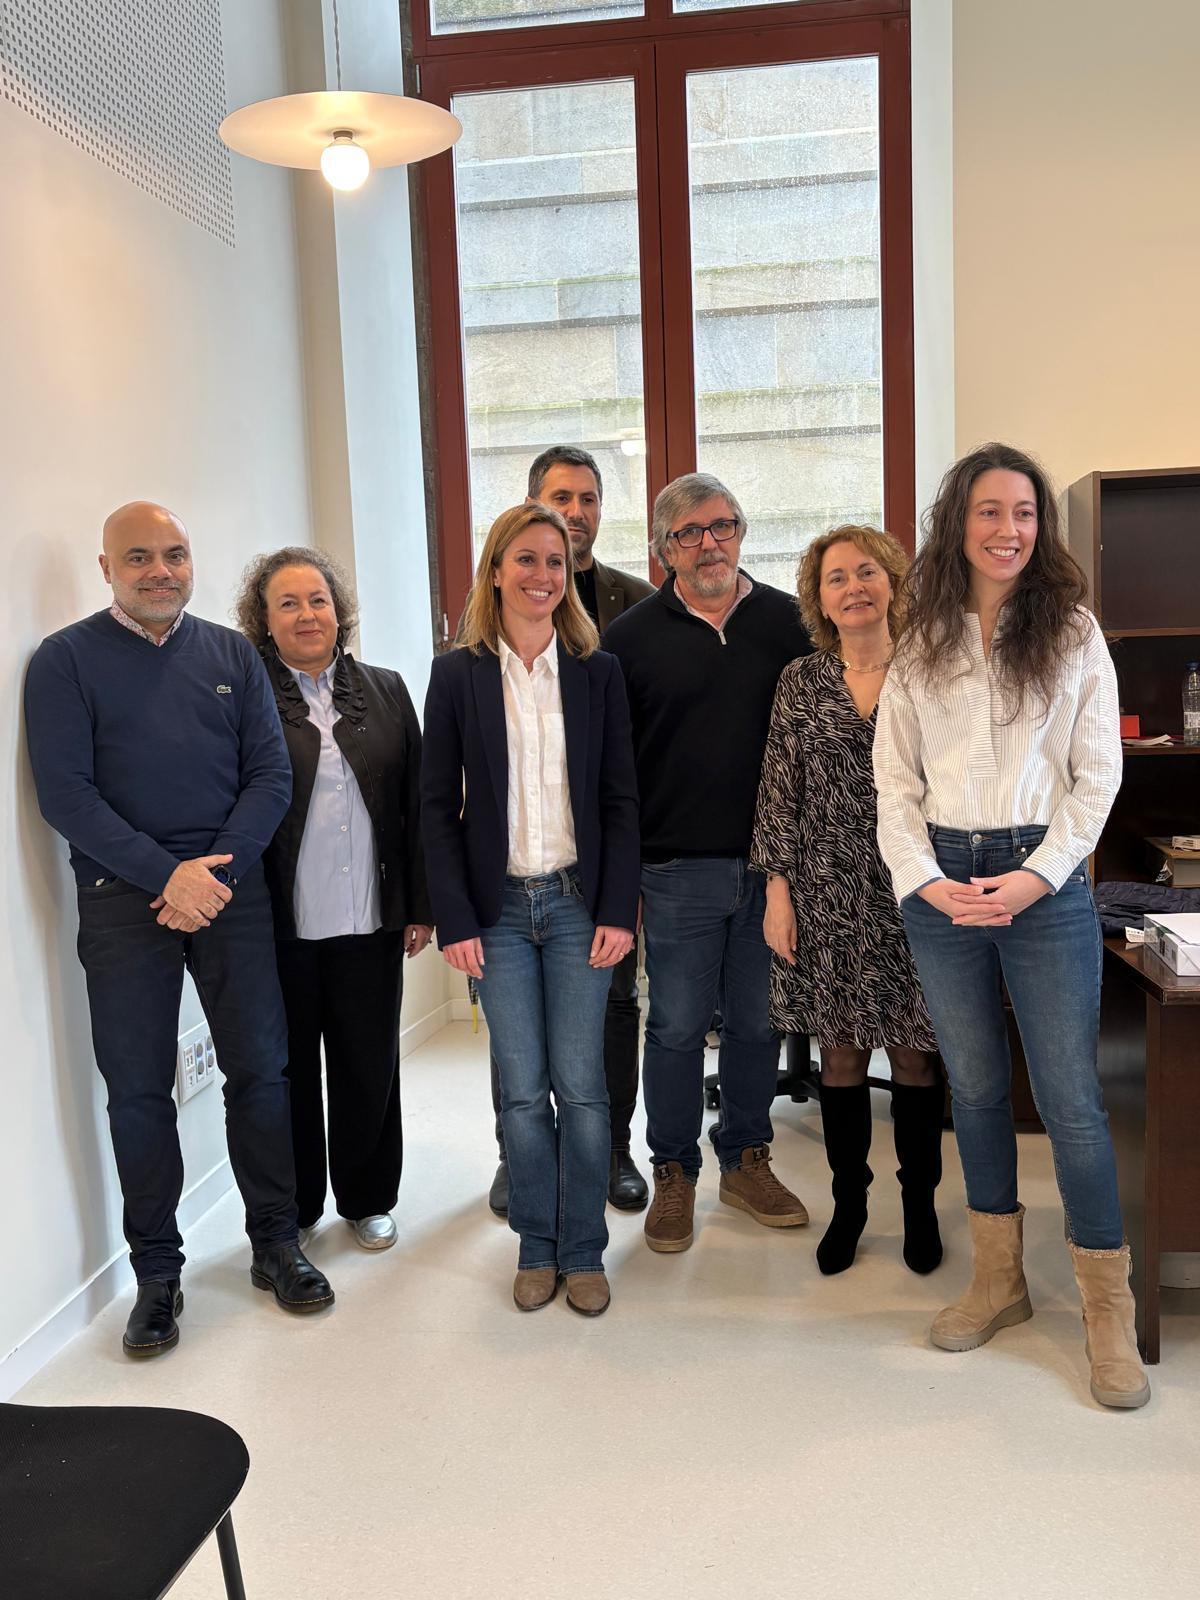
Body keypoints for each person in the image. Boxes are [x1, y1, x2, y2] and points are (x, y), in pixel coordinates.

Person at [873, 442, 1149, 1410]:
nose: (1008, 530)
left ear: (1043, 526)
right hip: (941, 886)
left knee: (1070, 1098)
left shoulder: (1074, 633)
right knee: (978, 1088)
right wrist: (926, 880)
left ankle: (1104, 1309)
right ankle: (999, 1279)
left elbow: (1097, 778)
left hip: (1045, 881)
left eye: (1024, 513)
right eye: (989, 512)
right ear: (960, 524)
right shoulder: (920, 641)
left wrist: (1035, 877)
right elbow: (893, 785)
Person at [24, 502, 334, 1359]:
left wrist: (211, 874)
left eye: (176, 554)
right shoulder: (64, 663)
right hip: (126, 903)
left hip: (229, 896)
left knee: (261, 1074)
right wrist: (167, 876)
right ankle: (158, 1274)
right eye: (140, 557)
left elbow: (270, 777)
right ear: (106, 567)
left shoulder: (231, 653)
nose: (161, 570)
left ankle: (276, 1244)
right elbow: (68, 797)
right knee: (137, 1092)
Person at [422, 502, 639, 1315]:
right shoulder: (459, 673)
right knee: (521, 1090)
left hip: (581, 904)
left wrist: (621, 909)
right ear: (496, 569)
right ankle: (537, 1247)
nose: (542, 575)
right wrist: (457, 919)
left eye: (555, 561)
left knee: (582, 1088)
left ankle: (583, 1248)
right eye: (526, 559)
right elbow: (436, 804)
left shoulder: (597, 672)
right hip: (501, 910)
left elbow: (620, 799)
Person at [604, 472, 812, 1254]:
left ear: (742, 531)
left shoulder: (791, 624)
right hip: (676, 870)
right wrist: (623, 885)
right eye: (688, 533)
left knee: (759, 1023)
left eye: (721, 525)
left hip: (772, 870)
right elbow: (614, 777)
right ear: (663, 549)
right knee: (677, 1027)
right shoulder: (629, 641)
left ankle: (748, 1159)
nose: (708, 543)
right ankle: (675, 1172)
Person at [751, 526, 943, 1277]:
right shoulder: (801, 681)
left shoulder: (931, 672)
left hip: (916, 890)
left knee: (917, 1057)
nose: (854, 587)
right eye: (837, 578)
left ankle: (920, 1203)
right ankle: (850, 1204)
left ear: (893, 581)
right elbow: (778, 791)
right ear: (820, 599)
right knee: (839, 1056)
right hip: (826, 892)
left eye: (867, 572)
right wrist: (777, 890)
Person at [234, 548, 434, 1254]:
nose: (306, 614)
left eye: (317, 599)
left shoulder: (385, 689)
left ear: (338, 610)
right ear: (263, 619)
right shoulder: (243, 697)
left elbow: (416, 804)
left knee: (368, 1060)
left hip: (367, 914)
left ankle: (369, 1196)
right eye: (287, 603)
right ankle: (296, 1205)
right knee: (286, 1067)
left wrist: (418, 903)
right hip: (277, 923)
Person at [485, 445, 655, 1219]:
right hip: (511, 873)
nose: (578, 511)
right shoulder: (475, 641)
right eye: (563, 497)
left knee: (611, 1014)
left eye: (589, 499)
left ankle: (610, 1147)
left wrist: (623, 886)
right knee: (515, 1036)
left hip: (593, 868)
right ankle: (517, 1156)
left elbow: (625, 769)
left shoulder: (634, 603)